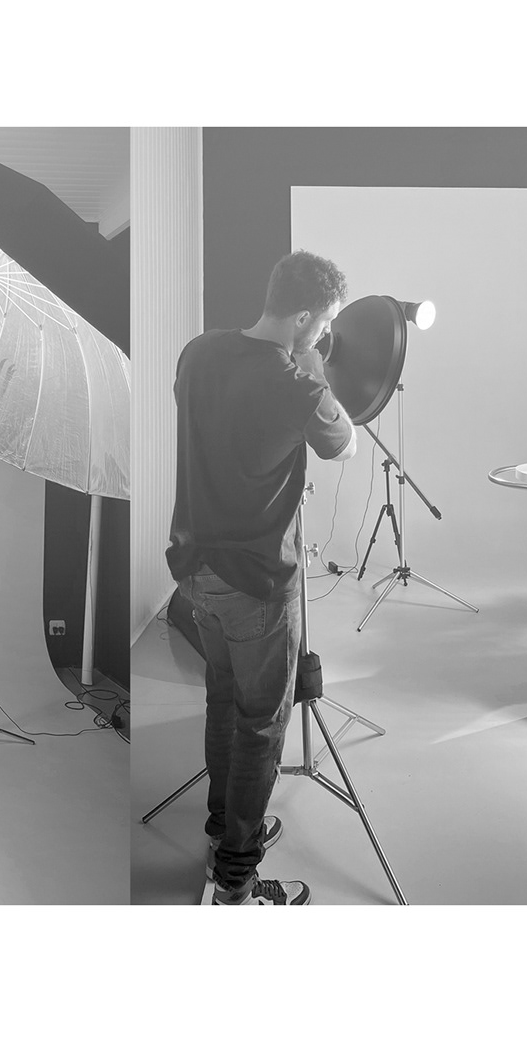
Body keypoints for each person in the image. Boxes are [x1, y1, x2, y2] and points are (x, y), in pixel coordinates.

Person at [168, 250, 354, 905]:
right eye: (323, 323)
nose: (325, 334)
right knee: (261, 724)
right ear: (303, 317)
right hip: (256, 585)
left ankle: (222, 828)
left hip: (195, 572)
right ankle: (236, 882)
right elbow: (343, 443)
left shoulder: (198, 353)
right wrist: (315, 367)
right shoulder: (297, 385)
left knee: (223, 699)